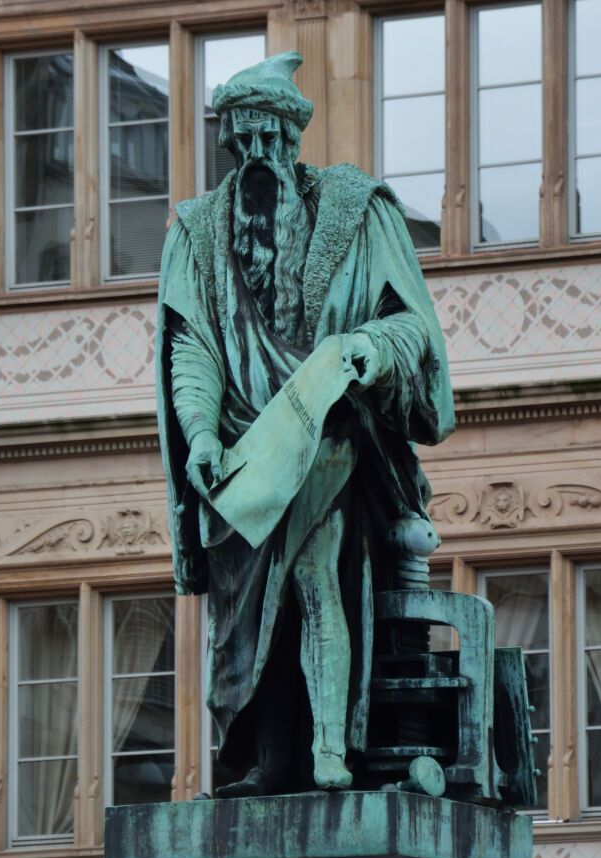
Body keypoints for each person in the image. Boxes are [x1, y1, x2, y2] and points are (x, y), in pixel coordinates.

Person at [156, 51, 454, 796]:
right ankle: (272, 756)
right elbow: (191, 345)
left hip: (327, 435)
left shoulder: (356, 211)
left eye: (271, 141)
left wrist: (364, 349)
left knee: (319, 575)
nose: (257, 158)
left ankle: (327, 749)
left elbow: (411, 328)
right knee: (252, 616)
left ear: (294, 142)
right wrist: (198, 431)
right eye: (242, 141)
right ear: (229, 142)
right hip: (242, 457)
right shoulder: (198, 232)